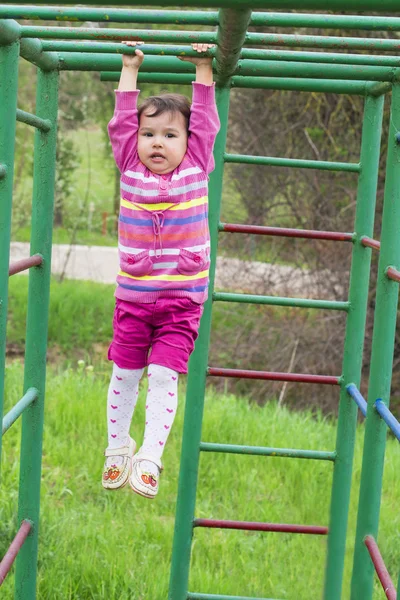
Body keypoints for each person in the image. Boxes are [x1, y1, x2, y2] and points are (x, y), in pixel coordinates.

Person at [102, 41, 220, 499]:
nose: (157, 143)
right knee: (125, 372)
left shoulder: (197, 166)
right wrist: (130, 69)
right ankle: (117, 445)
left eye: (171, 135)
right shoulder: (129, 165)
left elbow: (206, 122)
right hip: (134, 298)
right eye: (150, 134)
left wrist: (205, 70)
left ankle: (150, 454)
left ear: (188, 144)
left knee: (166, 375)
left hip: (181, 302)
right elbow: (121, 122)